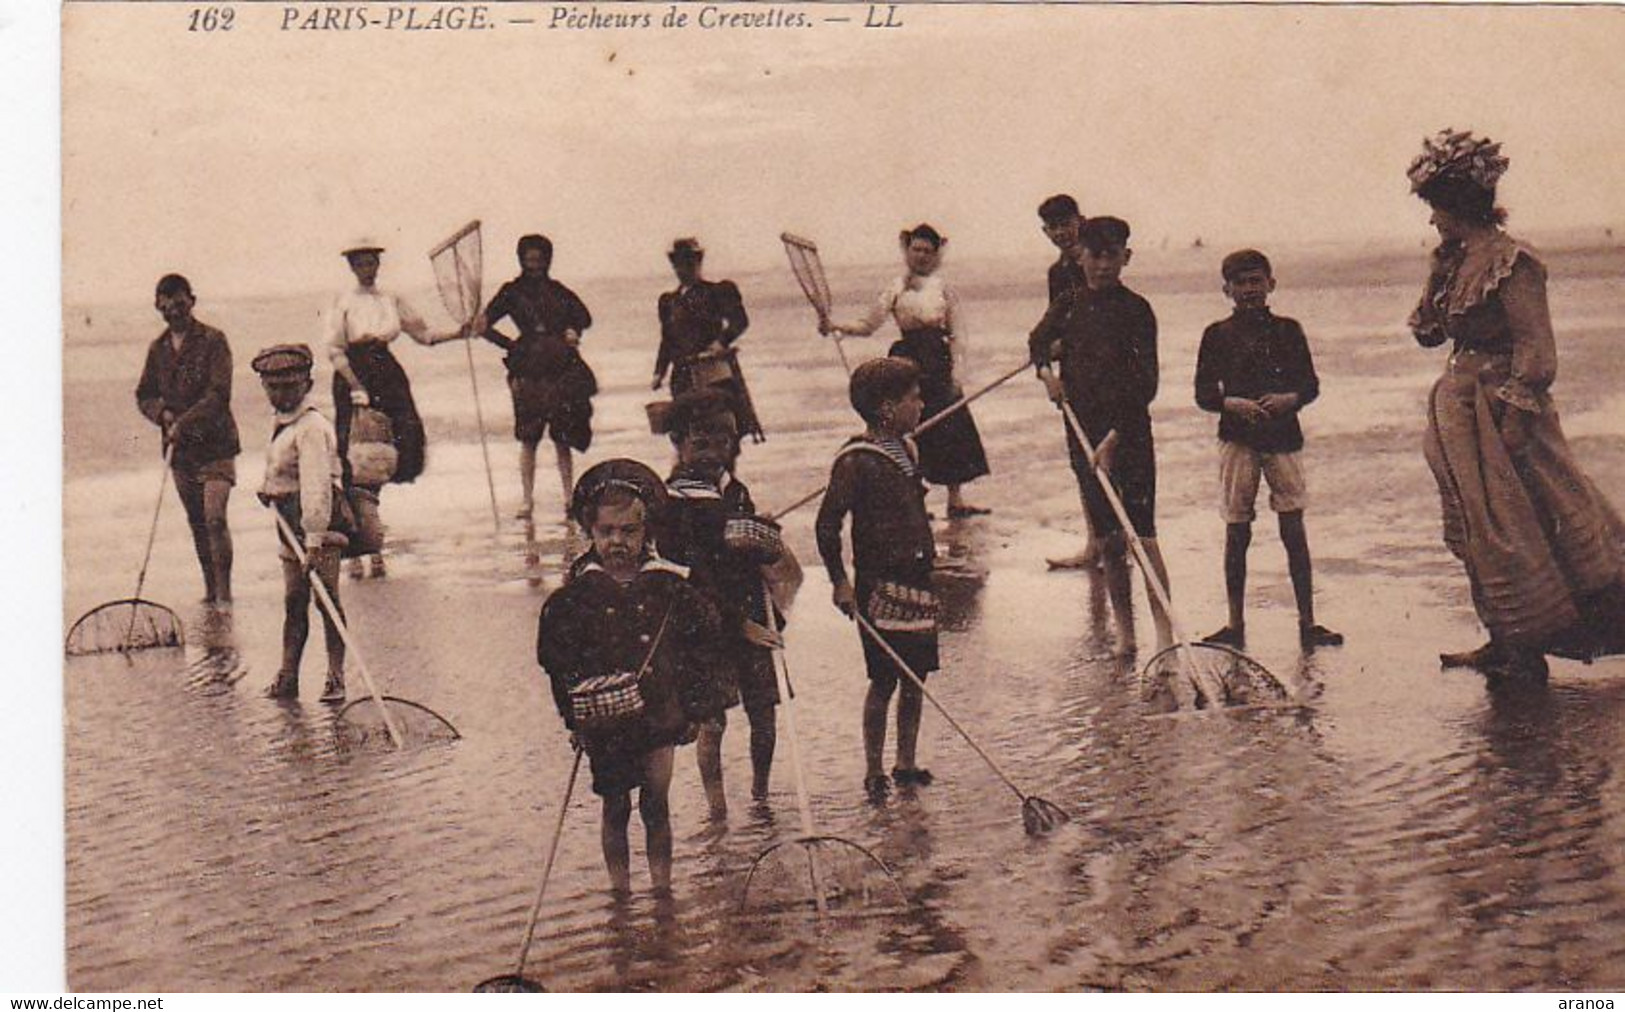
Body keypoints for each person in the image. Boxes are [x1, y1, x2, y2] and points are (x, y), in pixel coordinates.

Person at [1408, 129, 1625, 682]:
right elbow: (1431, 334)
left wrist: (1513, 421)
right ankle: (1506, 639)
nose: (1432, 220)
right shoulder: (1455, 261)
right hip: (1460, 412)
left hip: (1505, 413)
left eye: (1436, 207)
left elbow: (1537, 348)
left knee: (1533, 526)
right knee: (1479, 528)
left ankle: (1533, 645)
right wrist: (1436, 279)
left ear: (1457, 204)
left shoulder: (1513, 261)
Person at [537, 459, 727, 896]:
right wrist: (574, 719)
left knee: (656, 802)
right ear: (591, 532)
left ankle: (662, 889)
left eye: (629, 531)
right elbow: (557, 662)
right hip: (604, 719)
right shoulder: (575, 596)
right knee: (615, 805)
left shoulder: (668, 585)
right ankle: (620, 891)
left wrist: (696, 708)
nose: (617, 542)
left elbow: (703, 644)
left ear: (647, 533)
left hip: (660, 710)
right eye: (607, 532)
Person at [1028, 216, 1173, 655]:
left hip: (1128, 434)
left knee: (1142, 535)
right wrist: (1047, 374)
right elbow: (1037, 341)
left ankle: (1165, 636)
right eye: (1094, 256)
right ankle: (1126, 637)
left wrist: (1115, 437)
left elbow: (1146, 384)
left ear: (1126, 257)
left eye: (1112, 256)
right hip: (1082, 433)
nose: (1103, 265)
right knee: (1109, 540)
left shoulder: (1137, 309)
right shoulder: (1069, 304)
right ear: (1081, 257)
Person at [1194, 249, 1344, 651]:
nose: (1249, 290)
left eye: (1256, 281)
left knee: (1293, 529)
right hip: (1237, 440)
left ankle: (1308, 621)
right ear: (1226, 289)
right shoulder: (1216, 334)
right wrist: (1231, 404)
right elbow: (1203, 393)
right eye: (1240, 283)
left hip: (1283, 437)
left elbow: (1310, 385)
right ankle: (1234, 623)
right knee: (1236, 528)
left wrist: (1289, 399)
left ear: (1271, 284)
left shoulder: (1289, 330)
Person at [655, 389, 795, 817]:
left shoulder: (735, 491)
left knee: (764, 711)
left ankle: (760, 795)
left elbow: (752, 552)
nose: (714, 452)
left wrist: (760, 535)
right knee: (712, 720)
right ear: (678, 443)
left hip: (752, 606)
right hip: (707, 620)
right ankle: (717, 808)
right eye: (701, 442)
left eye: (724, 441)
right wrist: (740, 623)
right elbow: (694, 574)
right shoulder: (675, 500)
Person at [815, 358, 938, 801]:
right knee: (885, 679)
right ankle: (873, 768)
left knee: (916, 677)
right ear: (887, 408)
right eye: (913, 399)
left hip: (918, 582)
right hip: (878, 586)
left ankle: (905, 761)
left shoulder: (908, 450)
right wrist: (839, 582)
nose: (921, 405)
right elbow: (827, 526)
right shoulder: (855, 460)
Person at [824, 225, 991, 518]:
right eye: (916, 249)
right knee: (907, 428)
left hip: (939, 363)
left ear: (936, 254)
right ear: (907, 250)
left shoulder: (943, 288)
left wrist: (957, 373)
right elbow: (868, 325)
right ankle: (916, 500)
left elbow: (958, 334)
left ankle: (956, 500)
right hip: (906, 364)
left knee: (950, 425)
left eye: (928, 251)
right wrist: (836, 326)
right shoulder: (895, 287)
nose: (922, 256)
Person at [326, 239, 465, 578]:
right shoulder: (343, 302)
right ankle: (358, 549)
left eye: (372, 262)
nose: (367, 268)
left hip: (386, 373)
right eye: (360, 263)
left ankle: (373, 541)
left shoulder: (391, 299)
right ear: (352, 267)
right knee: (355, 456)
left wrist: (460, 333)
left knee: (390, 451)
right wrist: (356, 384)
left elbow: (424, 334)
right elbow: (334, 348)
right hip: (353, 375)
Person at [135, 273, 240, 609]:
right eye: (166, 307)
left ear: (192, 301)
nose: (174, 312)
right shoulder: (158, 348)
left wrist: (184, 421)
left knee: (214, 517)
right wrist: (162, 414)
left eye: (180, 304)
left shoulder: (214, 340)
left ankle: (225, 593)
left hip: (216, 443)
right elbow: (145, 394)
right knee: (197, 521)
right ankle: (210, 590)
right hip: (180, 451)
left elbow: (219, 393)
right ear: (158, 308)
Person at [252, 344, 349, 702]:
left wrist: (314, 539)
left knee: (326, 600)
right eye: (273, 387)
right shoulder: (283, 423)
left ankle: (336, 676)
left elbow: (316, 486)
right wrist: (268, 489)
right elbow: (282, 470)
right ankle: (288, 674)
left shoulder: (312, 427)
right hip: (288, 524)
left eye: (290, 387)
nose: (281, 394)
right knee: (294, 601)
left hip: (319, 524)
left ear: (306, 385)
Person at [476, 234, 596, 520]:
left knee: (562, 436)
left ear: (547, 260)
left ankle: (569, 499)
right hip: (527, 369)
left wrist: (573, 331)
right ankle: (527, 502)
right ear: (521, 259)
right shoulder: (511, 291)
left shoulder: (558, 290)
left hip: (560, 367)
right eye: (529, 259)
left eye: (540, 259)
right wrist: (510, 345)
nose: (535, 265)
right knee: (528, 437)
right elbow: (483, 325)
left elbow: (584, 316)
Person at [1037, 195, 1100, 570]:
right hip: (1074, 376)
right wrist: (1048, 366)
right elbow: (1052, 325)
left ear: (1081, 219)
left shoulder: (1099, 259)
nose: (1061, 232)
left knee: (1111, 456)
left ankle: (1118, 542)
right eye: (1053, 227)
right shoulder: (1057, 273)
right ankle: (1095, 543)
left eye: (1067, 223)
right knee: (1082, 461)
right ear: (1045, 232)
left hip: (1107, 373)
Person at [651, 238, 763, 441]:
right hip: (683, 375)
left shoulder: (716, 292)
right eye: (679, 264)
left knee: (721, 428)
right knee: (686, 432)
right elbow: (667, 340)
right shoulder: (669, 301)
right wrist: (659, 372)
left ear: (698, 263)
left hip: (713, 371)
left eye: (690, 263)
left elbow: (740, 321)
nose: (684, 269)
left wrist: (720, 342)